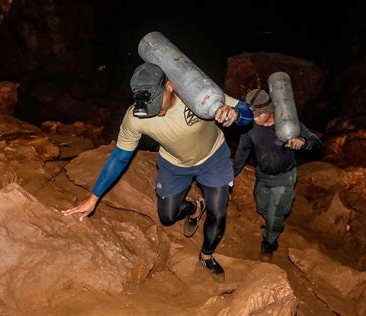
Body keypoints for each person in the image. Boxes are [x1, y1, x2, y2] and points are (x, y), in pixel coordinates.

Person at [62, 62, 253, 281]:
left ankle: (206, 256)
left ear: (170, 85)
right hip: (174, 164)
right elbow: (120, 157)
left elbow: (248, 114)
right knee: (167, 216)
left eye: (158, 104)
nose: (156, 112)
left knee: (218, 213)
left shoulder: (198, 92)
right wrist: (93, 197)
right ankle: (194, 206)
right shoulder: (136, 117)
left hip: (213, 158)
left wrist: (236, 115)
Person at [233, 89, 322, 262]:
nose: (255, 119)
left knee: (276, 217)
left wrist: (303, 142)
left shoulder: (288, 124)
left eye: (258, 115)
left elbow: (317, 143)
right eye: (252, 115)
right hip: (263, 175)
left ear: (270, 110)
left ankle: (268, 244)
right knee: (262, 208)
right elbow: (243, 151)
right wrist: (232, 173)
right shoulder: (250, 127)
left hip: (284, 178)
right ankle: (271, 226)